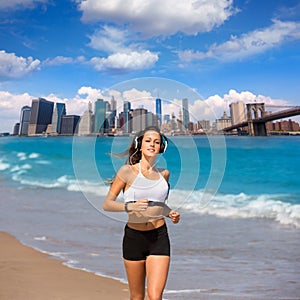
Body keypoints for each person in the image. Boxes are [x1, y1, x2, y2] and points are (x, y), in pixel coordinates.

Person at [103, 126, 180, 300]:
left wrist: (170, 213)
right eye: (148, 140)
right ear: (140, 144)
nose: (152, 144)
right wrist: (129, 207)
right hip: (134, 238)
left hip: (159, 237)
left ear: (162, 147)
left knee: (155, 296)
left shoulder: (164, 174)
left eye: (157, 142)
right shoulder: (126, 172)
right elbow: (107, 204)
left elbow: (159, 205)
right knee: (137, 297)